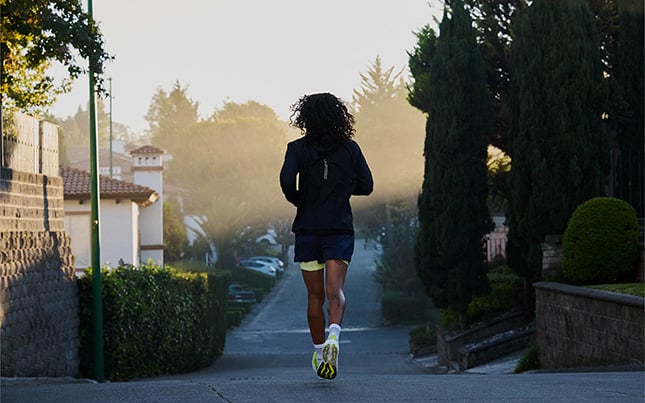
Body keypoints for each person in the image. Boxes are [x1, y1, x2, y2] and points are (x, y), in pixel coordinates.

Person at [279, 92, 373, 380]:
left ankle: (320, 353)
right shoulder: (350, 148)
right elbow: (367, 185)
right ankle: (334, 336)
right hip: (339, 229)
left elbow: (286, 181)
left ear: (305, 116)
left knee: (314, 295)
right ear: (338, 116)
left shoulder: (296, 148)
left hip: (308, 230)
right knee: (335, 291)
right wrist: (342, 190)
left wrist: (299, 199)